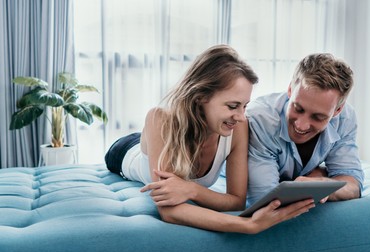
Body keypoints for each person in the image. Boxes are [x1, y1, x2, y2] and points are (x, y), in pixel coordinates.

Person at [105, 44, 315, 234]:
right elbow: (169, 210)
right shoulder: (161, 119)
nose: (241, 116)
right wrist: (249, 225)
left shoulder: (239, 126)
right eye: (232, 106)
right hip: (126, 151)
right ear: (200, 97)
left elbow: (236, 201)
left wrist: (192, 189)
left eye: (245, 106)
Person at [246, 53, 364, 206]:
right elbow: (264, 200)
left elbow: (353, 184)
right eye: (298, 108)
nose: (301, 125)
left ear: (337, 110)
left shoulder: (345, 119)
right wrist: (326, 177)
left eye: (318, 117)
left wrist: (322, 183)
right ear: (290, 89)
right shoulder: (261, 118)